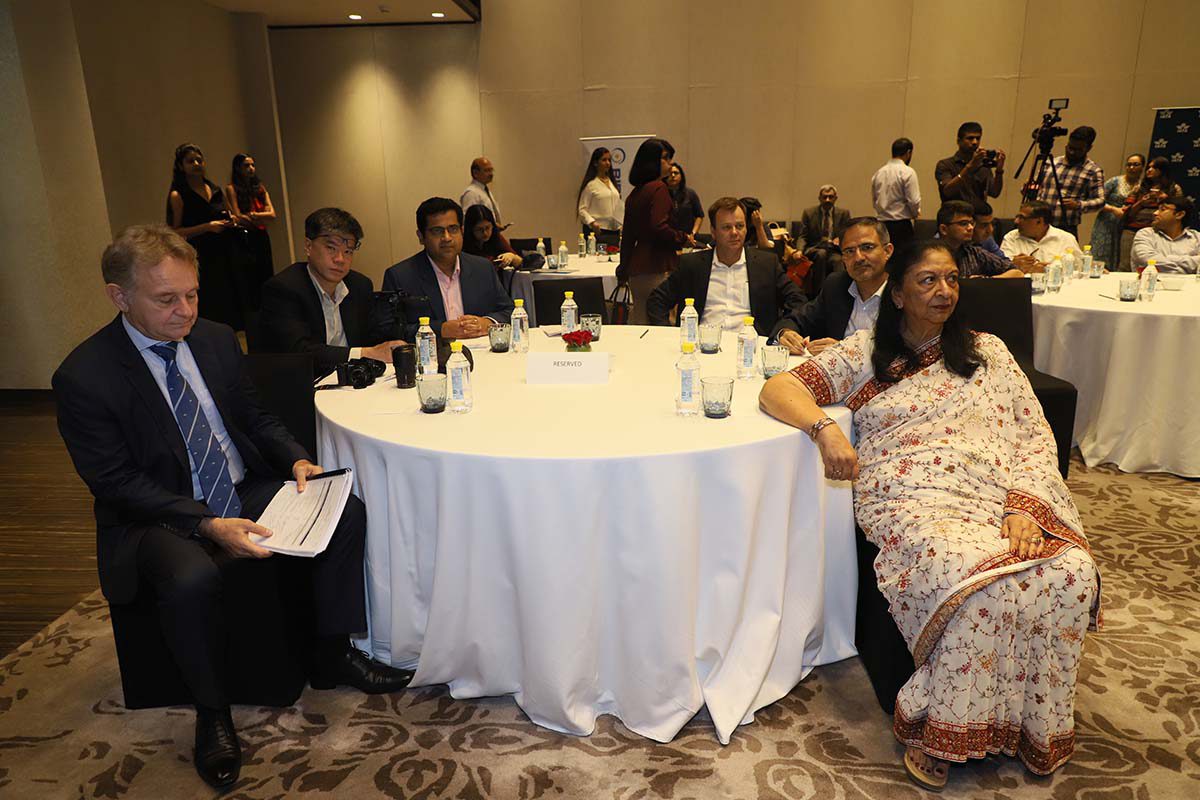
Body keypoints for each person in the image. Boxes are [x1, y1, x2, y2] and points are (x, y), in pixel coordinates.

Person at [52, 225, 414, 789]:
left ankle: (332, 653)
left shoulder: (215, 339)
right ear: (119, 296)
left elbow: (253, 416)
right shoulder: (84, 375)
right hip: (158, 514)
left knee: (344, 510)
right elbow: (115, 482)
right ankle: (213, 712)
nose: (185, 311)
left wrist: (297, 459)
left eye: (192, 294)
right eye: (166, 299)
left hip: (239, 487)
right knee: (193, 577)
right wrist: (206, 523)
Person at [759, 240, 1100, 790]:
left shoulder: (988, 352)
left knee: (1070, 573)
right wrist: (823, 429)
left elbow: (1034, 434)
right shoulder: (864, 351)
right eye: (927, 281)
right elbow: (779, 387)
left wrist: (1026, 507)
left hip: (993, 492)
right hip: (909, 494)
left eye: (951, 280)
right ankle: (941, 727)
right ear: (897, 294)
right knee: (971, 579)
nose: (944, 291)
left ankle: (1026, 725)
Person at [259, 208, 408, 377]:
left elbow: (373, 337)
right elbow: (299, 353)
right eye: (331, 248)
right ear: (308, 246)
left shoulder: (359, 285)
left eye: (348, 251)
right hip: (304, 383)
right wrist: (364, 353)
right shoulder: (284, 288)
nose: (340, 259)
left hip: (354, 379)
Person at [645, 197, 806, 337]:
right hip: (701, 348)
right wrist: (670, 336)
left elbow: (798, 301)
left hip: (751, 348)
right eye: (727, 227)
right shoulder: (692, 265)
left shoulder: (766, 265)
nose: (734, 232)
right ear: (713, 232)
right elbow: (657, 300)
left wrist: (784, 330)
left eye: (740, 226)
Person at [383, 197, 514, 341]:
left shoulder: (482, 268)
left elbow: (509, 311)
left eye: (453, 229)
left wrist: (487, 323)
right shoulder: (400, 276)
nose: (447, 238)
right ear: (421, 236)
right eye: (437, 231)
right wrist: (441, 330)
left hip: (480, 351)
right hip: (433, 353)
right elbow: (388, 331)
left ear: (462, 231)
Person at [776, 218, 893, 357]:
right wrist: (785, 333)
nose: (858, 258)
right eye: (849, 251)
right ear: (843, 258)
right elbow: (797, 319)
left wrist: (845, 351)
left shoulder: (904, 292)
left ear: (887, 251)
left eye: (867, 247)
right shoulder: (837, 285)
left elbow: (906, 352)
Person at [167, 143, 247, 330]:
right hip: (200, 254)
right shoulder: (178, 195)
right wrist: (206, 227)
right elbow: (174, 231)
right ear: (181, 166)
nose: (196, 164)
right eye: (190, 161)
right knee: (209, 302)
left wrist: (231, 221)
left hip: (225, 251)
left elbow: (230, 214)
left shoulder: (215, 189)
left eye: (199, 160)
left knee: (230, 299)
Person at [618, 138, 692, 325]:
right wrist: (682, 238)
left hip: (637, 269)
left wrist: (623, 268)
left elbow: (627, 238)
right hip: (657, 266)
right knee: (662, 324)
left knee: (640, 322)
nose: (670, 163)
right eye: (665, 158)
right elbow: (659, 226)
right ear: (652, 161)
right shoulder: (659, 188)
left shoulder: (635, 194)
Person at [226, 152, 276, 309]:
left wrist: (254, 215)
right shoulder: (232, 189)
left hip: (261, 234)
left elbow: (272, 214)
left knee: (266, 273)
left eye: (253, 165)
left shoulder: (260, 188)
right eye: (246, 165)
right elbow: (238, 216)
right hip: (245, 238)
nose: (251, 169)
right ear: (238, 168)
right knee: (250, 278)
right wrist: (257, 217)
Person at [1034, 126, 1105, 237]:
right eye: (1070, 147)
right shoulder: (1051, 163)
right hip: (1039, 223)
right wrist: (1029, 189)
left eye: (1078, 150)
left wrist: (1079, 205)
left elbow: (1100, 201)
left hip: (1065, 227)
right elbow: (1036, 186)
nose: (1072, 152)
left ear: (1088, 148)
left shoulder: (1092, 171)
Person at [1118, 156, 1183, 270]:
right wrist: (1141, 203)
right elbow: (1127, 213)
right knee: (1126, 265)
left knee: (1154, 265)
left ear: (1162, 170)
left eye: (1153, 168)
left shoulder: (1174, 189)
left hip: (1159, 232)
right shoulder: (1139, 188)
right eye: (1148, 167)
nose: (1149, 170)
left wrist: (1166, 199)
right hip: (1133, 230)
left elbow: (1179, 210)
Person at [939, 201, 1023, 278]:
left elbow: (1016, 272)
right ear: (944, 229)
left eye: (972, 223)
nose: (970, 228)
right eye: (963, 224)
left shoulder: (974, 252)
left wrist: (986, 281)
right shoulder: (933, 255)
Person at [935, 121, 1005, 210]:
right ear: (959, 141)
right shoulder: (945, 164)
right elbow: (948, 191)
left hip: (978, 215)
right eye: (970, 138)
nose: (975, 142)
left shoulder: (983, 165)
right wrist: (970, 167)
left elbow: (994, 193)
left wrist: (999, 170)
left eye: (978, 138)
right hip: (955, 215)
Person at [1090, 153, 1144, 267]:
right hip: (1105, 224)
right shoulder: (1115, 182)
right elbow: (1096, 201)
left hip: (1125, 226)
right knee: (1101, 254)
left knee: (1119, 258)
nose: (1131, 168)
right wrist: (1113, 209)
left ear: (1142, 167)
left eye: (1136, 165)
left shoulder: (1142, 186)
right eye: (1129, 165)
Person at [1001, 200, 1083, 271]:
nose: (1016, 221)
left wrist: (1049, 269)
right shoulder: (1012, 237)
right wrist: (1012, 264)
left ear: (1039, 221)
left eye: (1022, 218)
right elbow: (1001, 267)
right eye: (1017, 217)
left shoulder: (1066, 239)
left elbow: (1079, 268)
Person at [797, 185, 851, 291]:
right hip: (814, 249)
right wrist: (799, 250)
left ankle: (839, 292)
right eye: (824, 197)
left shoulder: (844, 214)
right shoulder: (809, 213)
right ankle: (819, 292)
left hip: (833, 250)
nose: (827, 200)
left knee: (838, 260)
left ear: (835, 198)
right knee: (821, 254)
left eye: (830, 197)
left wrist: (840, 239)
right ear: (819, 198)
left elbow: (848, 234)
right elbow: (803, 236)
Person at [871, 138, 921, 248]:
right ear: (908, 153)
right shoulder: (908, 172)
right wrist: (915, 213)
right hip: (901, 226)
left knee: (885, 255)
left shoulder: (879, 173)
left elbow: (875, 200)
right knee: (903, 257)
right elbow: (914, 200)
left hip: (882, 225)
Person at [1131, 196, 1200, 273]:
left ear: (1179, 214)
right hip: (1153, 280)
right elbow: (1146, 259)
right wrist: (1185, 268)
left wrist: (1167, 261)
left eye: (1162, 209)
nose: (1155, 213)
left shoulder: (1197, 237)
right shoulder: (1145, 234)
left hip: (1190, 281)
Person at [577, 146, 624, 241]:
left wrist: (622, 223)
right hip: (598, 231)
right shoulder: (591, 185)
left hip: (614, 231)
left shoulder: (612, 183)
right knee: (600, 251)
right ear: (595, 163)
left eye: (609, 160)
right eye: (604, 160)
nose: (608, 163)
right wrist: (592, 223)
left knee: (613, 251)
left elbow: (618, 206)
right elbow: (582, 209)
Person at [464, 204, 522, 269]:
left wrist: (511, 256)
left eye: (487, 228)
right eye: (479, 229)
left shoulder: (496, 237)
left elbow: (520, 262)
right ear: (470, 229)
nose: (485, 233)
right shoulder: (463, 243)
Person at [460, 157, 506, 229]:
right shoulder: (471, 193)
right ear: (475, 173)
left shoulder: (484, 190)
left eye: (491, 170)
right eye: (487, 170)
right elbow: (470, 219)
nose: (491, 174)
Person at [665, 162, 704, 238]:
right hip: (668, 237)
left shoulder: (690, 193)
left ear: (681, 176)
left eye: (676, 173)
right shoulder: (662, 194)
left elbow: (699, 215)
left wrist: (693, 233)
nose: (673, 176)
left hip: (688, 236)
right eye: (670, 174)